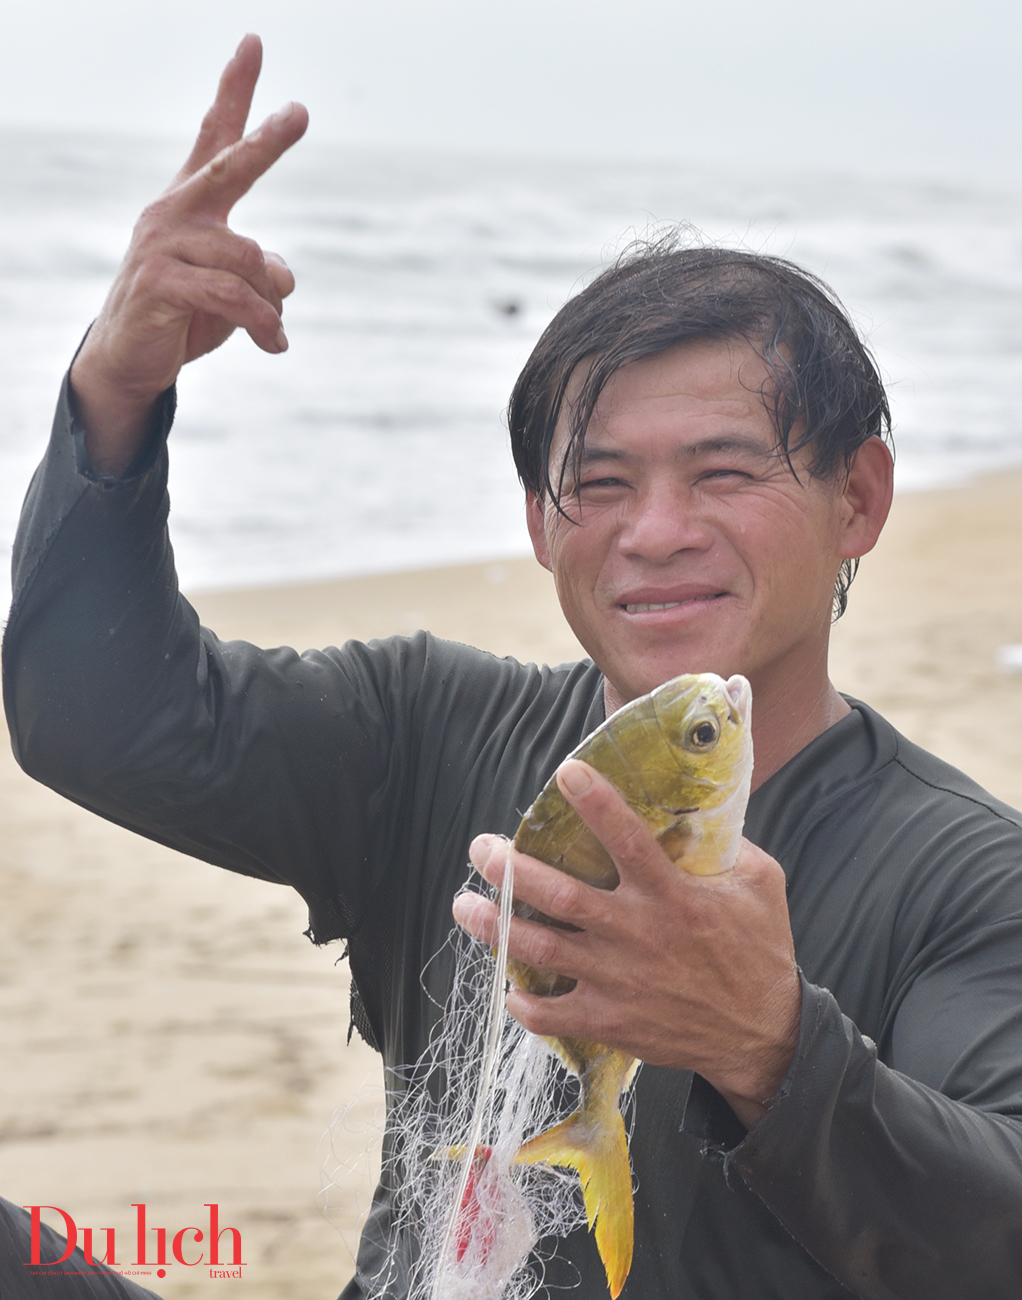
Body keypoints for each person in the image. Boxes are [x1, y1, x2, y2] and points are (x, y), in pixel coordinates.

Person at [4, 34, 1022, 1300]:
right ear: (540, 525)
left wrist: (772, 1048)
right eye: (597, 482)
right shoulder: (427, 729)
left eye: (721, 470)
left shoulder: (970, 881)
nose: (652, 532)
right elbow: (99, 719)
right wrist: (119, 380)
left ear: (856, 498)